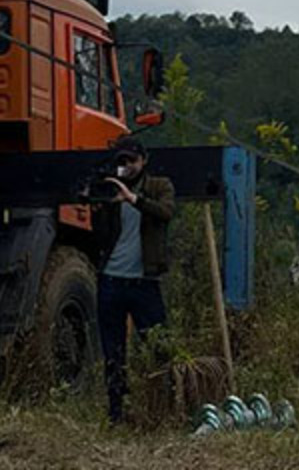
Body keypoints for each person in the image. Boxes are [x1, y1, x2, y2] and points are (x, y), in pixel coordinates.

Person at [87, 136, 176, 423]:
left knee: (158, 345)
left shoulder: (158, 185)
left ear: (144, 160)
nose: (127, 167)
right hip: (112, 279)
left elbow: (165, 212)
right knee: (112, 350)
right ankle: (116, 411)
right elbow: (99, 234)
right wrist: (99, 204)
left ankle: (165, 406)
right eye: (122, 162)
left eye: (132, 161)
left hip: (144, 280)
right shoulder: (110, 188)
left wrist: (133, 198)